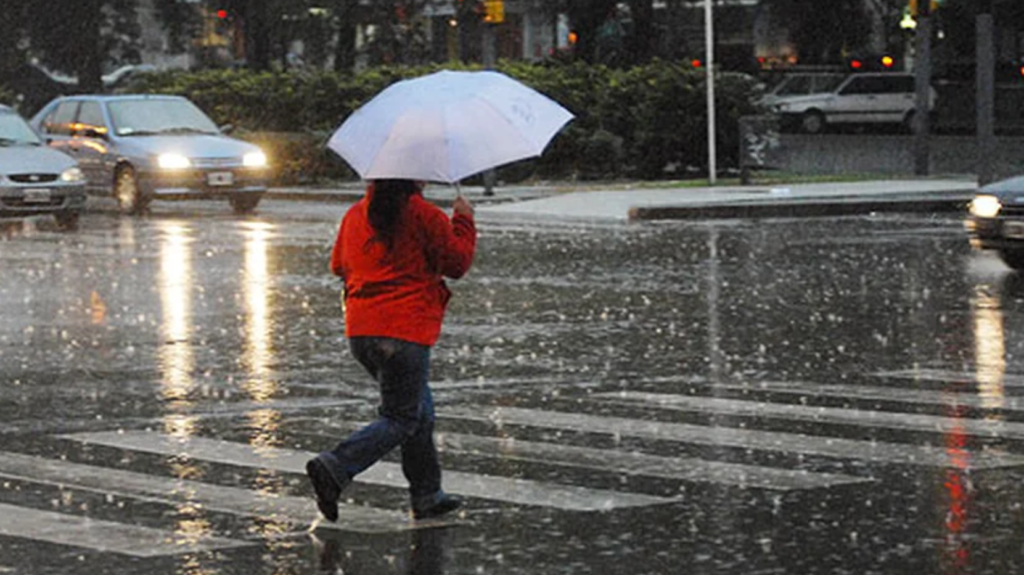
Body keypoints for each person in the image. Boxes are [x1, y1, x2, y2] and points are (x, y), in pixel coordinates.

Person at [307, 179, 476, 522]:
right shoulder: (424, 215)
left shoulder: (356, 214)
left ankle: (427, 494)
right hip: (404, 330)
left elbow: (338, 265)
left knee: (419, 411)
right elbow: (457, 264)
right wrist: (464, 221)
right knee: (401, 417)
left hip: (362, 331)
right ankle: (337, 466)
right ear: (414, 178)